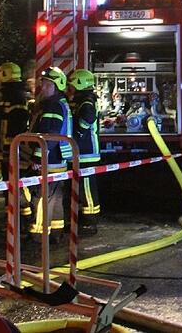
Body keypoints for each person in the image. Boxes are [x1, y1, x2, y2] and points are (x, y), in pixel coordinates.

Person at [26, 67, 73, 242]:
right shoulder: (60, 102)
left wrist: (38, 158)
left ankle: (38, 234)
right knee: (55, 197)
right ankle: (55, 232)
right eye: (42, 84)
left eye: (47, 84)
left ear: (56, 86)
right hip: (58, 159)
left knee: (42, 197)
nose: (43, 88)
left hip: (49, 160)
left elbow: (49, 135)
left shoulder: (53, 105)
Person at [0, 62, 32, 224]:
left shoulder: (16, 97)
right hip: (8, 150)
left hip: (13, 151)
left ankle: (21, 220)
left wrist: (8, 147)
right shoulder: (10, 96)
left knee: (15, 187)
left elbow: (16, 127)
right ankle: (13, 220)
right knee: (9, 187)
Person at [67, 68, 101, 236]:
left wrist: (77, 135)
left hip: (87, 152)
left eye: (72, 84)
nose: (70, 87)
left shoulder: (87, 102)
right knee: (80, 187)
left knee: (87, 188)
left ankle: (90, 222)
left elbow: (87, 119)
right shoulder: (80, 100)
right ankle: (82, 218)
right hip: (80, 152)